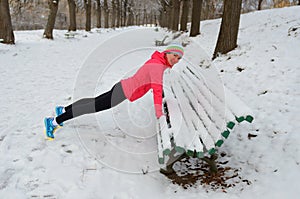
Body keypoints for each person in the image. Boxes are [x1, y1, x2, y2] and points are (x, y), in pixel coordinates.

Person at [44, 43, 184, 140]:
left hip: (122, 87)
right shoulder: (157, 66)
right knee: (90, 107)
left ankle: (62, 109)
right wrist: (159, 112)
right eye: (174, 55)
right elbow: (157, 89)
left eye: (179, 58)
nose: (176, 60)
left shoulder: (158, 62)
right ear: (167, 53)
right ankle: (54, 122)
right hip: (122, 91)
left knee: (92, 102)